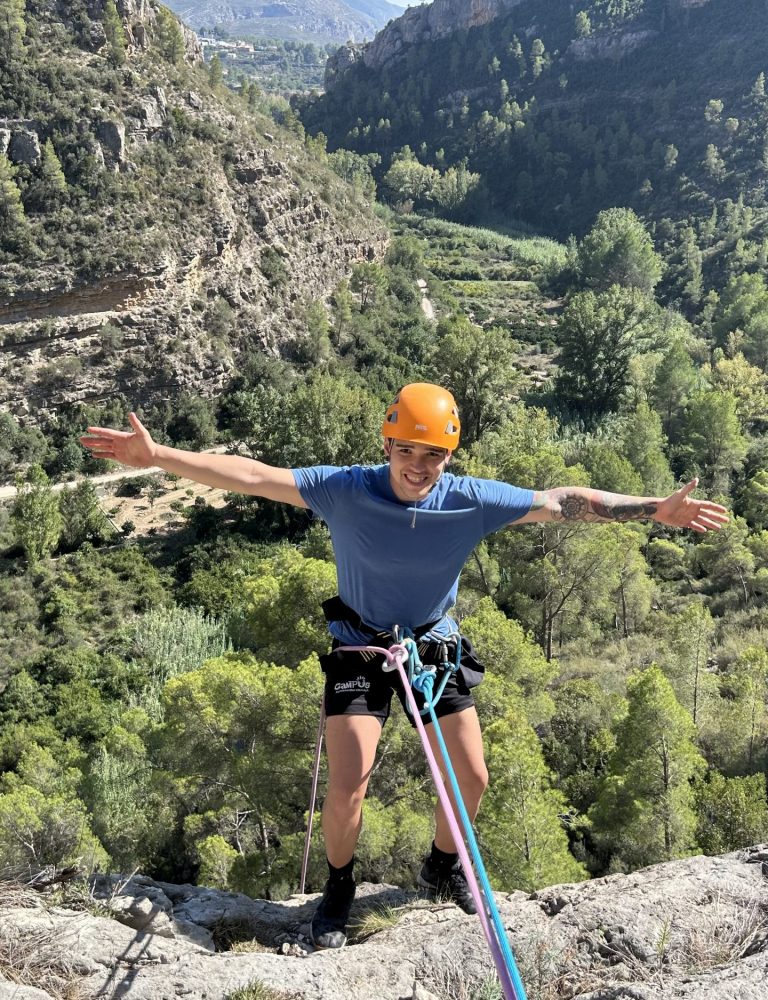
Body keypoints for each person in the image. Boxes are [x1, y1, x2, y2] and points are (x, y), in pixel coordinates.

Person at [80, 382, 729, 948]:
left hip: (433, 641)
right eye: (407, 449)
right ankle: (338, 889)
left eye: (434, 454)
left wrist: (653, 510)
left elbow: (563, 501)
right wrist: (159, 457)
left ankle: (441, 867)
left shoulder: (469, 499)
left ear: (450, 456)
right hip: (361, 643)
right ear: (387, 443)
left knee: (472, 777)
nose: (418, 466)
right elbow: (251, 475)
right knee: (348, 785)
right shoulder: (345, 490)